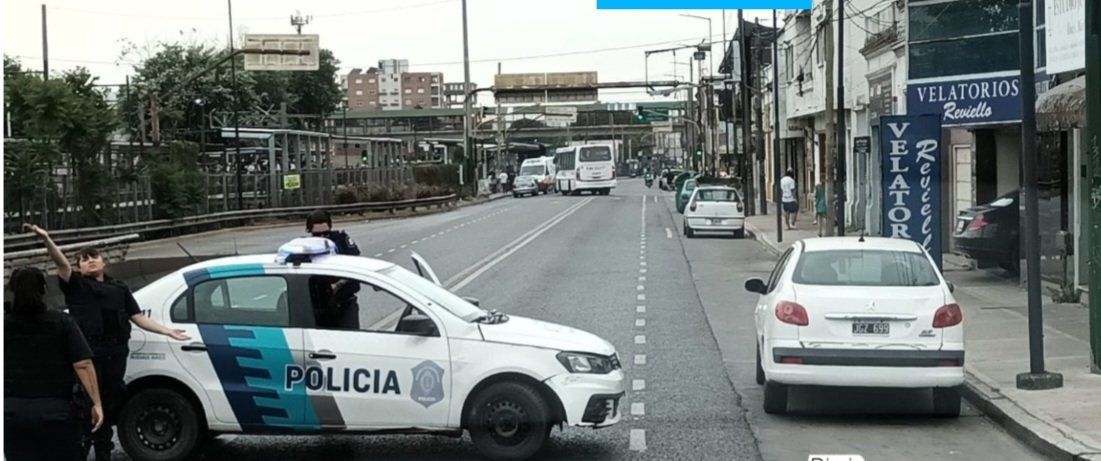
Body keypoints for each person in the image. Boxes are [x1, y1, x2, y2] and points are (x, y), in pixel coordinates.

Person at [28, 224, 189, 461]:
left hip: (115, 354)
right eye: (84, 259)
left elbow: (138, 317)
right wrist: (47, 240)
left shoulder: (119, 288)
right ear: (79, 267)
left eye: (94, 257)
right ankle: (82, 447)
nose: (90, 261)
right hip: (88, 354)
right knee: (86, 404)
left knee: (110, 401)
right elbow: (62, 264)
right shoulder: (77, 285)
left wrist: (167, 331)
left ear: (104, 262)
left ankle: (103, 448)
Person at [5, 267, 104, 461]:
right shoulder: (62, 322)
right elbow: (83, 364)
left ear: (13, 290)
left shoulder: (5, 326)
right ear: (43, 289)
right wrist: (97, 403)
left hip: (12, 412)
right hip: (56, 411)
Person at [305, 210, 362, 329]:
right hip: (320, 308)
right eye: (317, 235)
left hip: (345, 303)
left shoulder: (341, 240)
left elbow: (356, 266)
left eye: (326, 233)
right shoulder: (305, 247)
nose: (322, 238)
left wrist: (338, 284)